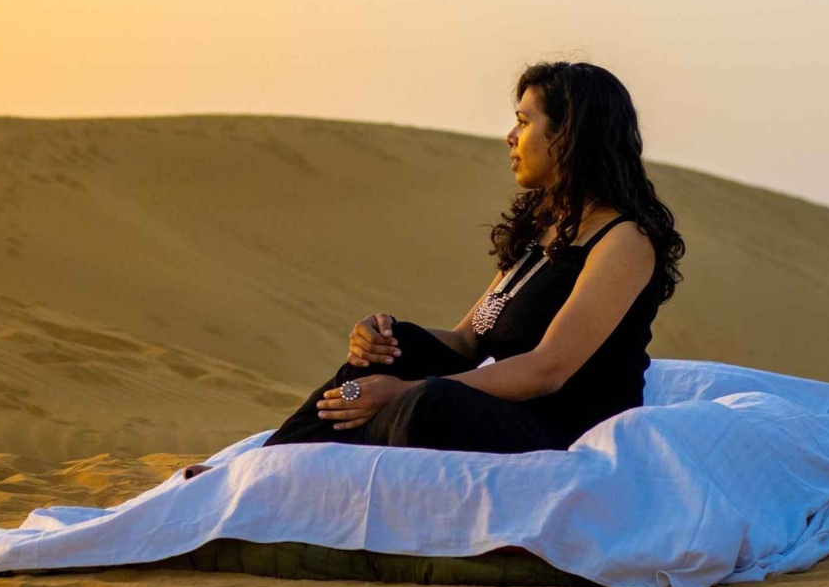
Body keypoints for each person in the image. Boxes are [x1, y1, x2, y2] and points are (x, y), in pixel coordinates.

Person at [183, 60, 685, 480]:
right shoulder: (543, 232)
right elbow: (468, 341)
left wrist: (401, 392)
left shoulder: (623, 240)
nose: (510, 137)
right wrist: (377, 338)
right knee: (398, 344)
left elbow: (548, 370)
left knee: (427, 404)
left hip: (564, 431)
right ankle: (266, 467)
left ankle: (298, 474)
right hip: (506, 411)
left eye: (524, 122)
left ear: (569, 135)